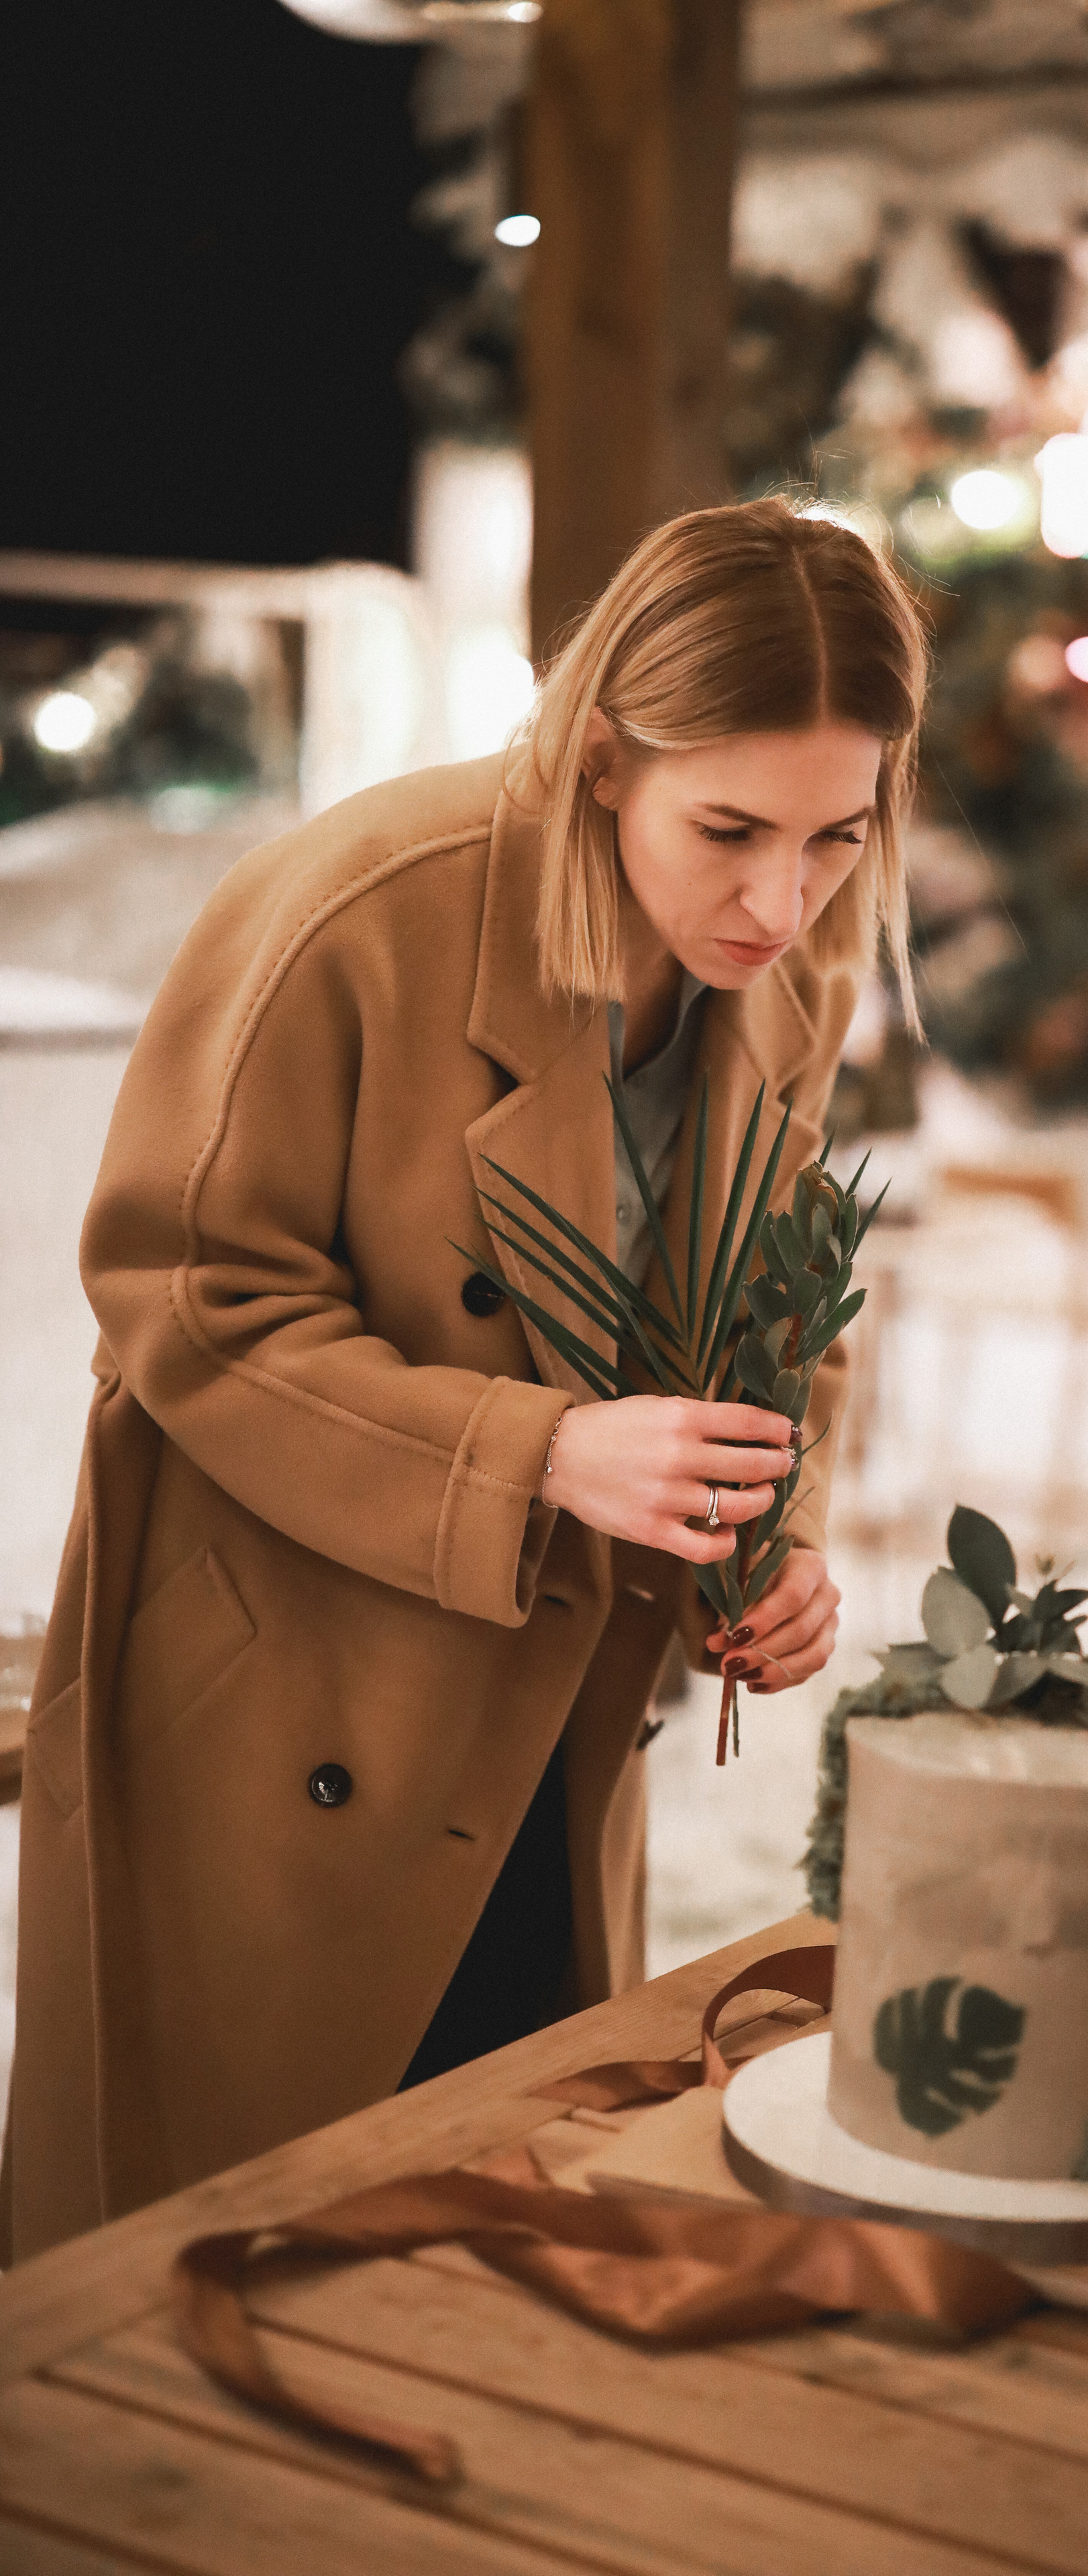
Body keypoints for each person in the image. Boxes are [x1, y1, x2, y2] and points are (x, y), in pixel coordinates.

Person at [3, 498, 928, 2261]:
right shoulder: (353, 910)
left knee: (493, 2218)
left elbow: (772, 1313)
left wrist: (770, 1532)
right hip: (283, 1706)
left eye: (836, 835)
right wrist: (541, 1460)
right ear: (597, 760)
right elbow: (181, 1298)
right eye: (727, 827)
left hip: (550, 1719)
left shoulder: (790, 981)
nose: (784, 899)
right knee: (219, 2271)